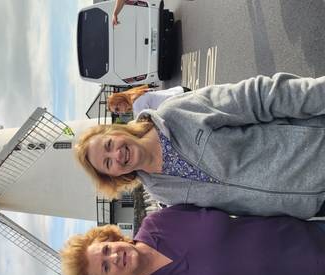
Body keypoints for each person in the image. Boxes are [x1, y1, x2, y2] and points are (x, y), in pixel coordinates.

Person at [75, 73, 325, 218]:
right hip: (310, 205)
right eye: (108, 163)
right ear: (115, 176)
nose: (117, 155)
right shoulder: (161, 193)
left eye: (109, 144)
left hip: (317, 148)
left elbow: (259, 97)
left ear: (116, 130)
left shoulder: (175, 113)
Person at [60, 204, 325, 275]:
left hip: (309, 233)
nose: (115, 256)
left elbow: (227, 199)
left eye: (106, 249)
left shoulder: (159, 221)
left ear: (111, 237)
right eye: (105, 268)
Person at [107, 85, 188, 118]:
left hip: (181, 101)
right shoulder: (135, 93)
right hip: (179, 92)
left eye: (117, 109)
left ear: (120, 101)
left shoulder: (137, 105)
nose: (119, 113)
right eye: (116, 113)